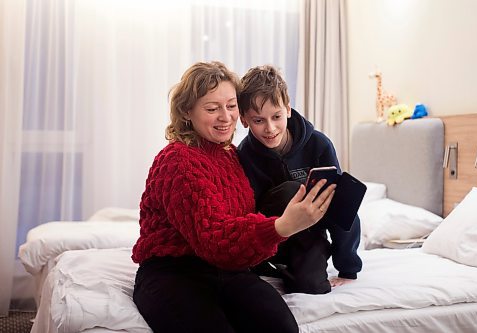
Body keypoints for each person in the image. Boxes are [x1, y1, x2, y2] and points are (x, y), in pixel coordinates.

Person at [131, 61, 335, 333]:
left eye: (231, 106)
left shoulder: (230, 156)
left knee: (282, 326)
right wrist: (282, 226)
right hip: (174, 272)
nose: (225, 117)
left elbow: (241, 221)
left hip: (228, 270)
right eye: (212, 108)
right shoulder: (178, 159)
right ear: (187, 112)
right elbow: (212, 239)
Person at [237, 64, 362, 295]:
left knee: (312, 286)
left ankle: (297, 266)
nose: (270, 128)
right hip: (275, 232)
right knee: (292, 191)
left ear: (287, 109)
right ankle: (269, 264)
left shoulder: (319, 144)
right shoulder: (244, 155)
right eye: (258, 121)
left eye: (276, 116)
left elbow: (339, 209)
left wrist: (348, 268)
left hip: (310, 231)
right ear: (244, 120)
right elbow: (248, 212)